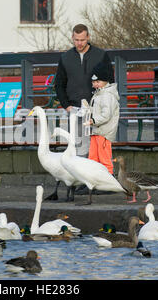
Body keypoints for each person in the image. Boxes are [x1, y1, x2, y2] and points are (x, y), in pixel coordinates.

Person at [54, 23, 112, 193]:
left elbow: (110, 81)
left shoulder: (101, 55)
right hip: (74, 109)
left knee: (98, 146)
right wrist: (65, 105)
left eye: (82, 39)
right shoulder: (65, 58)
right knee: (78, 146)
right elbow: (59, 84)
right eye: (76, 39)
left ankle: (102, 183)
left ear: (88, 38)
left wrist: (104, 104)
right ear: (72, 38)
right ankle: (83, 182)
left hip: (96, 109)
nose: (79, 43)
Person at [84, 61, 120, 175]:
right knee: (93, 157)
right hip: (96, 131)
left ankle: (109, 180)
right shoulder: (98, 94)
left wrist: (93, 120)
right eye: (93, 81)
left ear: (105, 81)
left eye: (98, 81)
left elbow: (106, 115)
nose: (95, 84)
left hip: (104, 133)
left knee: (104, 158)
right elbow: (97, 110)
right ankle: (94, 179)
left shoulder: (107, 95)